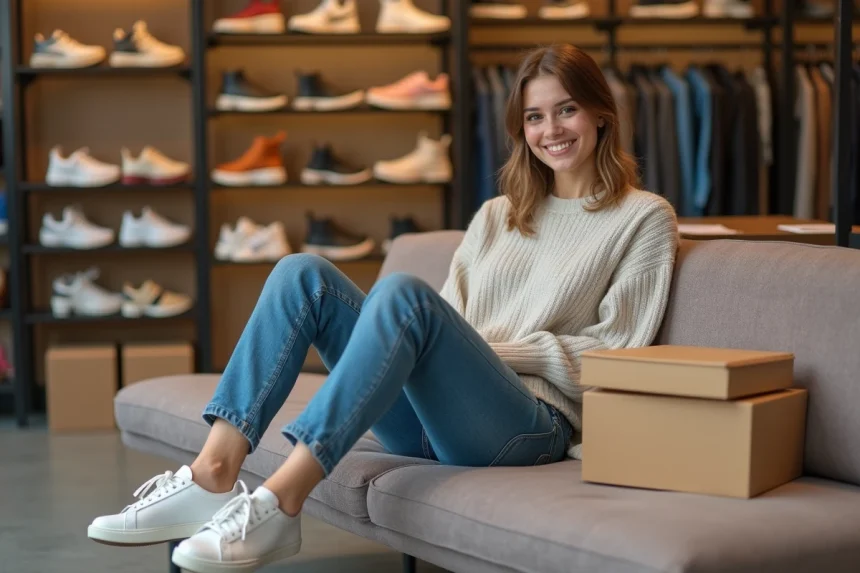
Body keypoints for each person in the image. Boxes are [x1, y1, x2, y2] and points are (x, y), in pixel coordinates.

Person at [87, 43, 679, 573]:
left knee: (401, 295)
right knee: (301, 273)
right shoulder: (499, 215)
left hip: (527, 426)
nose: (551, 129)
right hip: (434, 418)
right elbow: (448, 323)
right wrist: (458, 354)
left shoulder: (643, 217)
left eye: (566, 109)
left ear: (601, 113)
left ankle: (281, 503)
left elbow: (614, 352)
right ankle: (212, 472)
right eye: (534, 116)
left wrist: (484, 354)